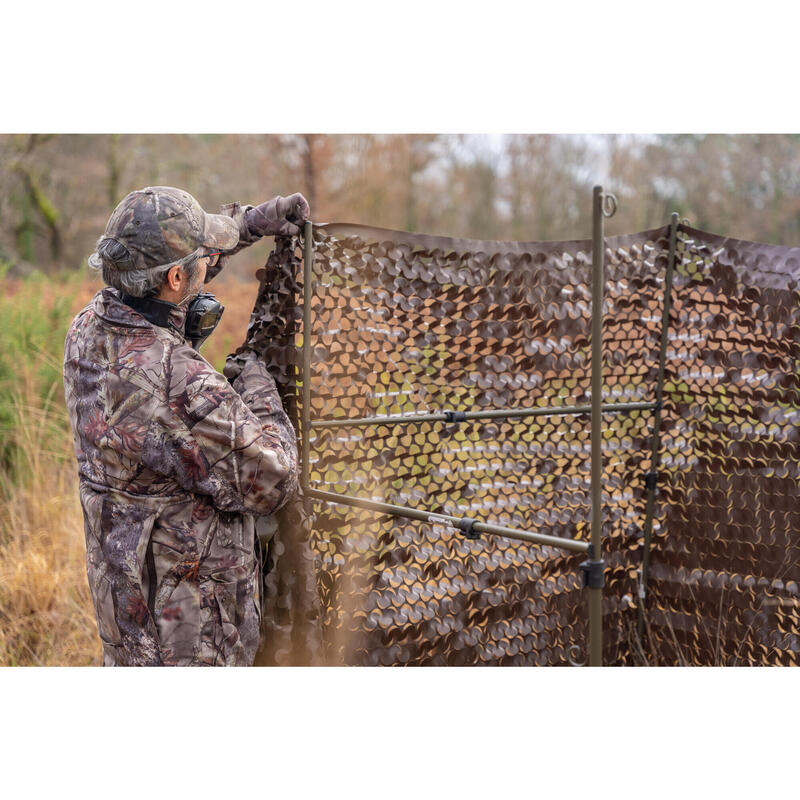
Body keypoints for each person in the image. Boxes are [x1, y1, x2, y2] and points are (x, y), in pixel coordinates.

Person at [63, 186, 310, 666]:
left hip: (128, 617)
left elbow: (178, 270)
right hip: (192, 640)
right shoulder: (181, 381)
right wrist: (258, 387)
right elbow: (275, 480)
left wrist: (254, 224)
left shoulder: (88, 328)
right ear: (177, 277)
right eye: (198, 261)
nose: (206, 266)